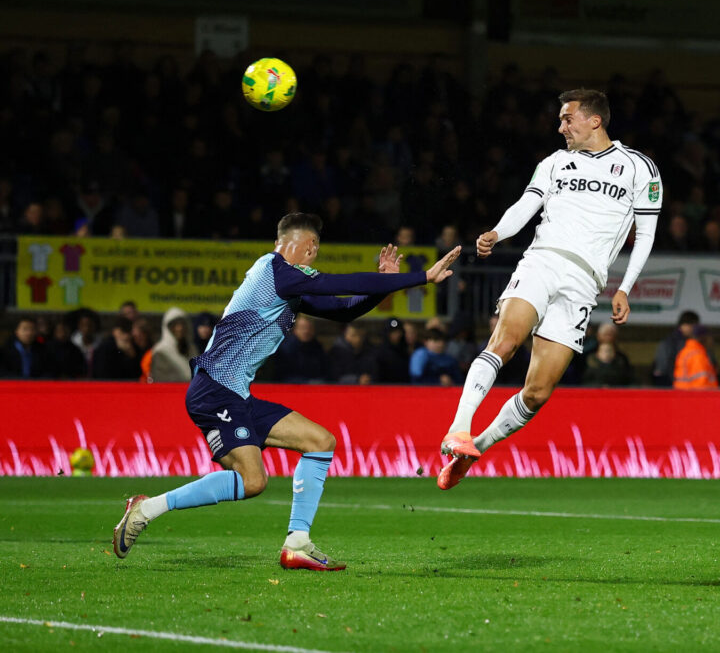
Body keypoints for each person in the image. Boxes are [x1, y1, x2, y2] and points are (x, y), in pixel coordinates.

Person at [112, 213, 460, 570]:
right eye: (316, 251)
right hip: (214, 390)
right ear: (310, 246)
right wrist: (417, 278)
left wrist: (383, 284)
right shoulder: (275, 271)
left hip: (236, 395)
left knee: (320, 442)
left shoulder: (286, 284)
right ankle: (146, 508)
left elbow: (342, 310)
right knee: (253, 481)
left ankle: (298, 543)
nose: (315, 258)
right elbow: (335, 284)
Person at [436, 88, 661, 489]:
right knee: (505, 341)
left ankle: (476, 450)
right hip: (542, 260)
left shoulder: (639, 168)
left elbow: (645, 234)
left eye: (567, 118)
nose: (560, 127)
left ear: (594, 120)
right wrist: (497, 232)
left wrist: (625, 287)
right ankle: (459, 428)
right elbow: (528, 203)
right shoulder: (555, 163)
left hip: (584, 283)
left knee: (538, 393)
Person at [273, 314, 329, 383]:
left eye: (309, 328)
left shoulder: (317, 347)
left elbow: (324, 370)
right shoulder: (285, 349)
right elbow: (282, 377)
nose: (306, 331)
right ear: (295, 329)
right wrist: (308, 382)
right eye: (302, 328)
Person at [148, 307, 198, 383]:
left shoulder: (192, 348)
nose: (180, 328)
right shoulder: (160, 351)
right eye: (175, 325)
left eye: (182, 324)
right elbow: (162, 379)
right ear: (167, 328)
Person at [651, 310, 700, 386]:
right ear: (684, 325)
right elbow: (663, 367)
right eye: (693, 326)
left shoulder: (686, 340)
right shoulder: (672, 342)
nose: (694, 329)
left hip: (680, 383)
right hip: (670, 383)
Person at [672, 324, 718, 389]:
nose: (712, 340)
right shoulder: (697, 355)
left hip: (683, 394)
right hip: (694, 396)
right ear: (703, 338)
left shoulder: (686, 351)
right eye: (710, 337)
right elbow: (701, 385)